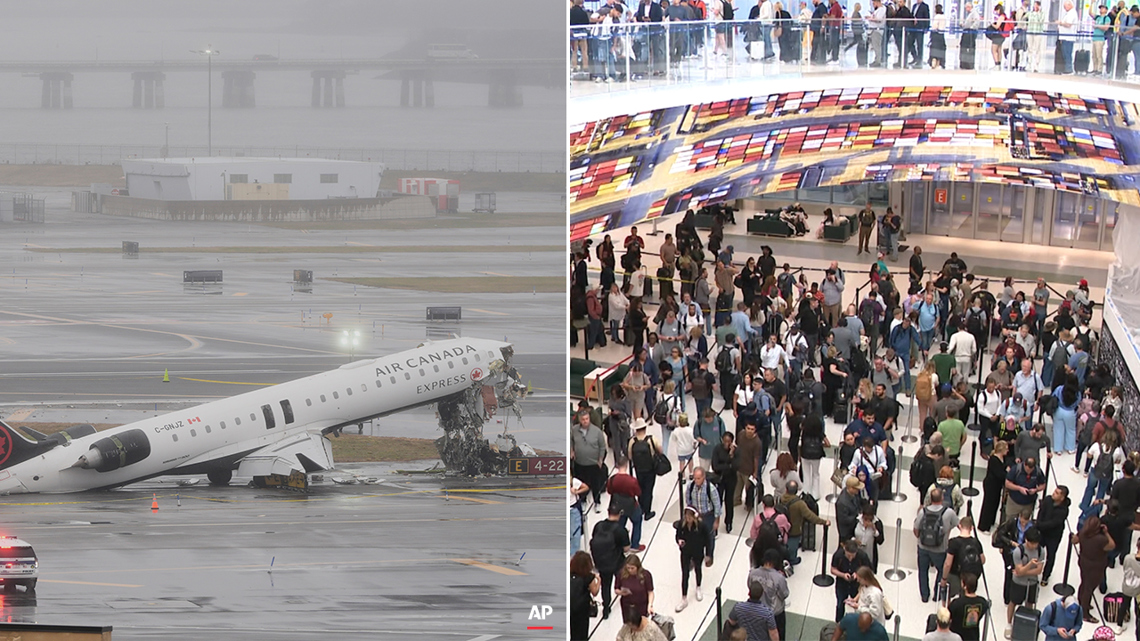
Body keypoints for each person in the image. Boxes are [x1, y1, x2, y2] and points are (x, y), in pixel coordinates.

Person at [915, 487, 961, 603]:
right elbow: (958, 524)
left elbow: (916, 529)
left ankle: (924, 596)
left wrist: (920, 539)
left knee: (922, 571)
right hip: (940, 549)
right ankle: (937, 594)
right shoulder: (948, 512)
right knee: (941, 570)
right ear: (942, 498)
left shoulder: (923, 511)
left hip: (923, 547)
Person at [591, 504, 632, 620]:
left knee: (606, 585)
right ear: (620, 514)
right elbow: (626, 548)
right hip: (617, 562)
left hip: (602, 563)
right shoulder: (620, 530)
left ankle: (606, 608)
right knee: (623, 580)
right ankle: (626, 597)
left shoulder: (598, 526)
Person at [1074, 515, 1116, 623]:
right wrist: (1106, 532)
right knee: (1089, 588)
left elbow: (1074, 540)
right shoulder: (1101, 539)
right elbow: (1112, 545)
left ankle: (1082, 602)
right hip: (1096, 566)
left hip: (1083, 562)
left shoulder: (1083, 533)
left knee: (1084, 583)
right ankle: (1085, 613)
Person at [1004, 526, 1045, 636]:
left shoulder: (1041, 551)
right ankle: (1009, 623)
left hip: (1032, 583)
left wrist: (1022, 571)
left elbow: (1039, 570)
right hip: (1018, 583)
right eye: (1032, 543)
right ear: (1026, 540)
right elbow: (1020, 570)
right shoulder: (1018, 551)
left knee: (1030, 603)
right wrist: (1030, 565)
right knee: (1013, 602)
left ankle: (1027, 623)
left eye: (1036, 543)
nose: (1034, 546)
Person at [674, 505, 712, 612]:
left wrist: (708, 554)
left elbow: (708, 540)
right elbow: (677, 535)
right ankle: (684, 598)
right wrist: (679, 541)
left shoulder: (701, 526)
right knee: (685, 573)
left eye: (690, 516)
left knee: (698, 569)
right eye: (686, 516)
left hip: (697, 551)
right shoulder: (682, 524)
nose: (688, 519)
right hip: (685, 552)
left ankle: (698, 587)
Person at [782, 480, 829, 565]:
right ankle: (792, 559)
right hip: (794, 529)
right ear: (796, 491)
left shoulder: (781, 498)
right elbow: (811, 516)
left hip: (783, 527)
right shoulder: (800, 503)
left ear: (786, 489)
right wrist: (823, 522)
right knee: (793, 545)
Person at [749, 549, 791, 639]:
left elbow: (750, 586)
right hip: (775, 614)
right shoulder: (779, 578)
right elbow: (784, 594)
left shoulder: (753, 573)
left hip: (757, 611)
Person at [572, 409, 608, 513]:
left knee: (596, 484)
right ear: (579, 420)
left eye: (587, 419)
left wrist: (600, 460)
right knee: (581, 483)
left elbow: (602, 447)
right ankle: (583, 501)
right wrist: (571, 450)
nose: (585, 421)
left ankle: (597, 502)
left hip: (593, 464)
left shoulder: (597, 431)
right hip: (580, 463)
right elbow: (571, 440)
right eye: (583, 419)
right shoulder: (574, 430)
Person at [686, 467, 723, 561]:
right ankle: (697, 556)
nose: (696, 480)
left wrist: (716, 521)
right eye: (695, 478)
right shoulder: (690, 486)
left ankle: (709, 556)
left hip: (708, 515)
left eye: (699, 478)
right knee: (695, 536)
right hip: (695, 515)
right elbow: (688, 501)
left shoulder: (711, 488)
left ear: (704, 477)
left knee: (709, 537)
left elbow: (717, 505)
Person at [1036, 486, 1071, 586]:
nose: (1053, 493)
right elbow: (1041, 512)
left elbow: (1054, 523)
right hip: (1042, 532)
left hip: (1053, 536)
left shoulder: (1063, 510)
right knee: (1036, 550)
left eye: (1057, 492)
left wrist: (1039, 525)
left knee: (1050, 556)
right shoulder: (1047, 500)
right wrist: (1038, 523)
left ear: (1062, 497)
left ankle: (1046, 576)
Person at [832, 539, 873, 622]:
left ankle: (858, 623)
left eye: (852, 555)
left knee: (859, 604)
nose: (850, 558)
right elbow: (833, 569)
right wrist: (843, 575)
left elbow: (869, 570)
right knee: (840, 604)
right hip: (842, 584)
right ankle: (838, 622)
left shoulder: (862, 556)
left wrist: (858, 575)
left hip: (857, 585)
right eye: (848, 555)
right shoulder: (838, 555)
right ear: (844, 550)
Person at [979, 440, 1011, 532]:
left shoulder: (1002, 458)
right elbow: (1000, 474)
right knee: (988, 505)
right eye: (1006, 449)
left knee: (995, 504)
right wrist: (1006, 472)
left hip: (997, 486)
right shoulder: (993, 459)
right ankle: (984, 526)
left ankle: (991, 521)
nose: (1007, 451)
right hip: (991, 485)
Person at [614, 554, 655, 623]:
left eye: (632, 568)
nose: (630, 570)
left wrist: (650, 605)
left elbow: (650, 592)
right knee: (628, 624)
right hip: (627, 606)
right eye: (628, 568)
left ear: (637, 567)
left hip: (641, 606)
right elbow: (616, 589)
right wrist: (621, 593)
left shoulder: (646, 575)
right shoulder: (621, 574)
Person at [948, 573, 989, 641]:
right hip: (973, 637)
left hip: (957, 637)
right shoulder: (983, 602)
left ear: (965, 586)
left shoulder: (957, 603)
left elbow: (948, 617)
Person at [570, 551, 600, 641]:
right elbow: (595, 592)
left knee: (572, 629)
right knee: (581, 631)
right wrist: (598, 581)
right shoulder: (588, 577)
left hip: (570, 606)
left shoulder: (569, 574)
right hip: (582, 609)